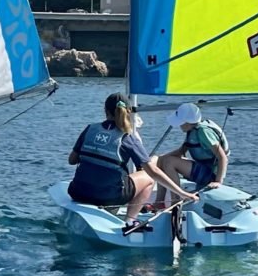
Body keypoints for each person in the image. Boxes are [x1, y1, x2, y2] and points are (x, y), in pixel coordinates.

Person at [67, 92, 198, 233]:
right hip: (108, 197)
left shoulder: (90, 129)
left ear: (105, 111)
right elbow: (152, 171)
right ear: (128, 112)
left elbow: (71, 160)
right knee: (148, 178)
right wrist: (182, 193)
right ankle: (130, 220)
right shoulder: (128, 138)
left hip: (78, 192)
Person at [156, 103, 229, 203]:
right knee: (163, 160)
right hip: (202, 168)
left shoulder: (203, 132)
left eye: (181, 122)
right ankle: (159, 202)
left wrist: (218, 181)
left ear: (188, 122)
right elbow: (180, 152)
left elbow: (222, 157)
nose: (179, 125)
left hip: (210, 174)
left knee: (169, 161)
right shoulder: (191, 131)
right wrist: (157, 160)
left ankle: (175, 201)